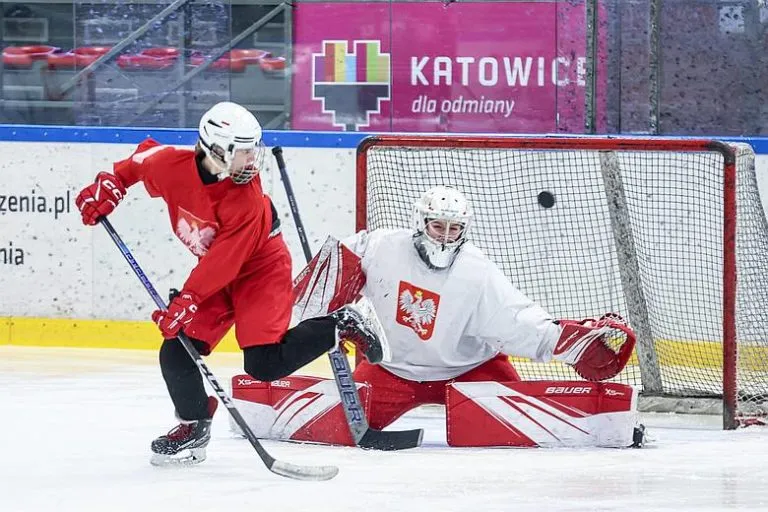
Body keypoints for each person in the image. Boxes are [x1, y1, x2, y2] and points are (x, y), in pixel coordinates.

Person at [74, 102, 386, 465]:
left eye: (254, 150)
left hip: (260, 270)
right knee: (176, 352)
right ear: (214, 150)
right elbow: (138, 162)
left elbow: (227, 260)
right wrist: (112, 183)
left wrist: (189, 298)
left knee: (264, 365)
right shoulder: (170, 165)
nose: (251, 160)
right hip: (215, 272)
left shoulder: (247, 199)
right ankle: (193, 427)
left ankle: (341, 323)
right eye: (242, 153)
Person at [340, 185, 636, 434]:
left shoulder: (476, 270)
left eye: (454, 228)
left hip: (469, 372)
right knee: (339, 426)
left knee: (526, 425)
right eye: (438, 226)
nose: (445, 236)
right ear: (420, 222)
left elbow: (514, 320)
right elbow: (330, 275)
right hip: (391, 371)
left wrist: (568, 344)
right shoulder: (381, 247)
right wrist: (324, 321)